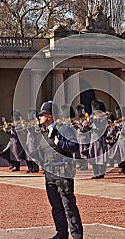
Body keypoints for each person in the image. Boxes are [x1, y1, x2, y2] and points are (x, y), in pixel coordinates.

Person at [38, 101, 83, 239]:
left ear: (50, 117)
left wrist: (61, 143)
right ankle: (61, 232)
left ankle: (77, 235)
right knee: (56, 206)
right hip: (50, 173)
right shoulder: (43, 131)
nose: (39, 117)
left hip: (63, 172)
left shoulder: (65, 129)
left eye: (42, 115)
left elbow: (74, 146)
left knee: (69, 206)